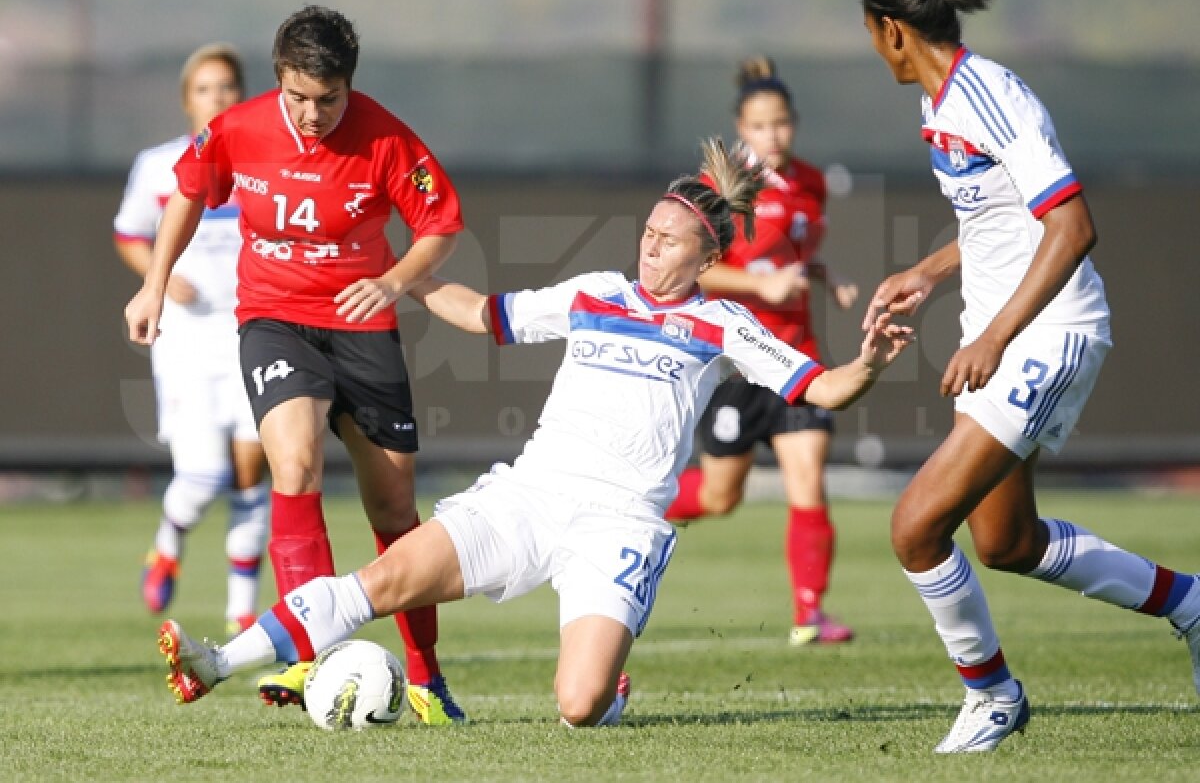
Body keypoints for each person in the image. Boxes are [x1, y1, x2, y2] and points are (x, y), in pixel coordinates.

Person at [154, 138, 915, 727]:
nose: (650, 246)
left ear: (710, 256)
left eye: (670, 239)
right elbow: (485, 314)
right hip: (531, 493)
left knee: (579, 708)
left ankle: (608, 679)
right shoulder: (596, 294)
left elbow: (824, 386)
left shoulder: (724, 324)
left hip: (619, 522)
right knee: (379, 582)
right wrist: (400, 277)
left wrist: (870, 361)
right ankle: (214, 662)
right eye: (647, 231)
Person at [859, 0, 1200, 753]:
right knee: (1007, 542)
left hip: (1049, 333)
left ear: (892, 30)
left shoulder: (989, 96)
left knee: (914, 527)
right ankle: (1190, 604)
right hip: (1009, 332)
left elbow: (1073, 226)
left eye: (871, 34)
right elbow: (1001, 218)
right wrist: (931, 271)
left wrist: (993, 337)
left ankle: (993, 696)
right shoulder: (940, 103)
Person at [125, 6, 467, 725]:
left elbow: (440, 225)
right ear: (279, 79)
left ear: (350, 85)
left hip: (364, 327)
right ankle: (306, 655)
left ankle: (428, 678)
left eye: (328, 99)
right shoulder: (240, 127)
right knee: (295, 465)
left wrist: (396, 280)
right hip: (275, 322)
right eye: (298, 97)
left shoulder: (386, 137)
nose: (312, 114)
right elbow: (189, 191)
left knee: (396, 511)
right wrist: (155, 281)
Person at [664, 57, 860, 646]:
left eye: (781, 124)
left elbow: (795, 256)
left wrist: (827, 276)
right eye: (759, 126)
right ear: (739, 129)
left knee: (809, 478)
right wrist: (761, 288)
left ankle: (810, 613)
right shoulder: (719, 193)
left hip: (797, 356)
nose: (772, 135)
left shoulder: (811, 183)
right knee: (721, 496)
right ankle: (633, 506)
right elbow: (691, 274)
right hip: (738, 362)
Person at [114, 43, 269, 637]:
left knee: (253, 475)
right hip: (185, 341)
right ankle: (168, 541)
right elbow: (128, 234)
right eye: (205, 88)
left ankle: (241, 612)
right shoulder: (159, 167)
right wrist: (160, 275)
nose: (218, 97)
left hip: (252, 334)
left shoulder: (260, 163)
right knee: (203, 476)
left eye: (227, 86)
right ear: (187, 100)